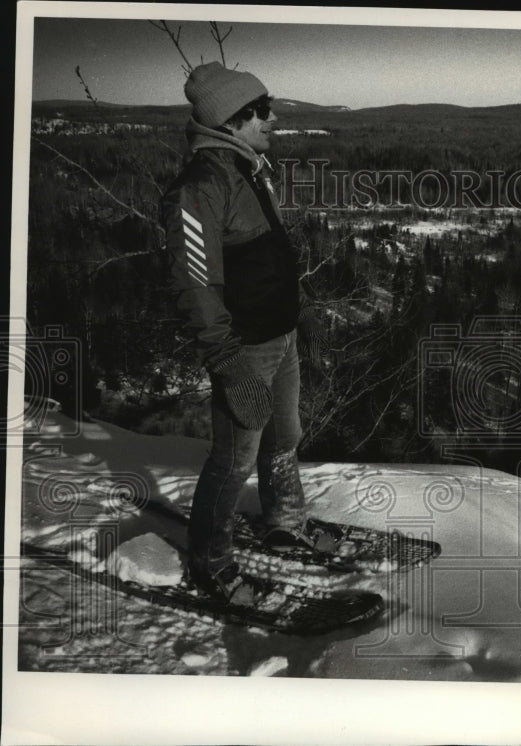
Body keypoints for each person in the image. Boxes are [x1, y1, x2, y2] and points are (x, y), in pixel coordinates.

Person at [160, 62, 326, 604]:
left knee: (283, 439)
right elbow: (195, 286)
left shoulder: (249, 168)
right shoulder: (200, 186)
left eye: (268, 106)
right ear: (230, 120)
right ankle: (210, 562)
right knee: (232, 461)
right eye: (259, 111)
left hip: (280, 339)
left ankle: (284, 521)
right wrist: (229, 365)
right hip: (246, 350)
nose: (271, 118)